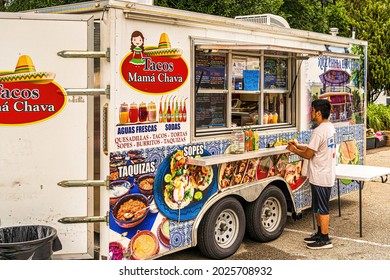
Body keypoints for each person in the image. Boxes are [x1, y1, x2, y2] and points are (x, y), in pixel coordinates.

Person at [287, 99, 336, 249]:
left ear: (319, 113)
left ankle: (325, 239)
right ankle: (320, 233)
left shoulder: (319, 130)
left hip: (321, 175)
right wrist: (298, 145)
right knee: (317, 207)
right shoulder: (329, 127)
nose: (311, 113)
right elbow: (314, 148)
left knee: (322, 208)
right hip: (324, 173)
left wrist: (294, 150)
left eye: (313, 110)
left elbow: (308, 154)